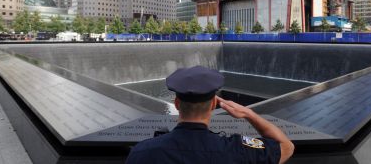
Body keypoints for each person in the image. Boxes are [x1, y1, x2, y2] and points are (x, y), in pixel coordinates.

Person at [126, 66, 294, 164]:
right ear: (214, 104)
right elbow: (287, 147)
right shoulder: (237, 150)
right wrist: (249, 114)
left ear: (177, 104)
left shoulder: (142, 153)